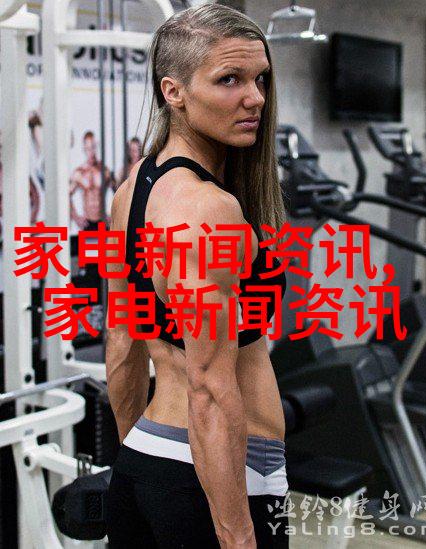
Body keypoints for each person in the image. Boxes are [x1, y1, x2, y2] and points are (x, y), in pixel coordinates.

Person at [106, 4, 289, 548]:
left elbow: (122, 344)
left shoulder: (132, 190)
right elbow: (209, 386)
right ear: (174, 91)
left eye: (260, 79)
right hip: (223, 481)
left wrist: (137, 460)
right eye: (229, 79)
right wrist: (237, 534)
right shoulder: (209, 209)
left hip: (147, 457)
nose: (255, 98)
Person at [69, 130, 115, 230]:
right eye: (88, 149)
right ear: (84, 149)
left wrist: (113, 215)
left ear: (96, 147)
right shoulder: (79, 172)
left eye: (93, 147)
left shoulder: (104, 170)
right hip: (87, 223)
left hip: (103, 221)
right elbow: (67, 195)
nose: (91, 152)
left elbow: (118, 191)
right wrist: (76, 217)